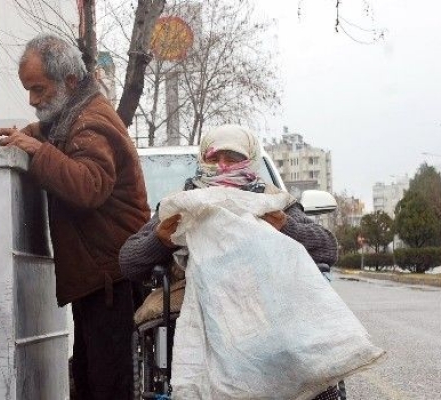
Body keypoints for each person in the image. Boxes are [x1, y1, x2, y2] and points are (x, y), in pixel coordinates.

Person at [119, 124, 340, 400]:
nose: (222, 167)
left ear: (249, 160)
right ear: (202, 160)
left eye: (232, 158)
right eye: (214, 158)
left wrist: (286, 227)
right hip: (196, 294)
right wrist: (160, 240)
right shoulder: (180, 201)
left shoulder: (271, 200)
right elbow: (129, 260)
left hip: (263, 294)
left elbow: (328, 248)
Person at [0, 34, 150, 400]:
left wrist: (35, 150)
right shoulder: (75, 112)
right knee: (91, 380)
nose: (32, 100)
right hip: (100, 280)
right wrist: (25, 135)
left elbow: (88, 186)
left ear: (71, 82)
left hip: (113, 282)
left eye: (38, 89)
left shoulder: (91, 123)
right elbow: (52, 131)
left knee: (108, 387)